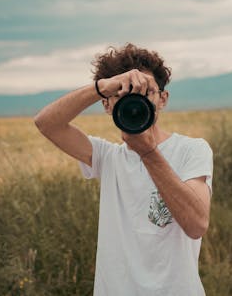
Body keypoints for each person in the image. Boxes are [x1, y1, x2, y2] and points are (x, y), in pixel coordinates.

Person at [34, 43, 213, 296]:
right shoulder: (107, 157)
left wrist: (148, 153)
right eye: (123, 93)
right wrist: (101, 88)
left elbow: (196, 225)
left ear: (163, 99)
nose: (135, 101)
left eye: (146, 91)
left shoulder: (192, 150)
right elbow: (46, 123)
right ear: (107, 105)